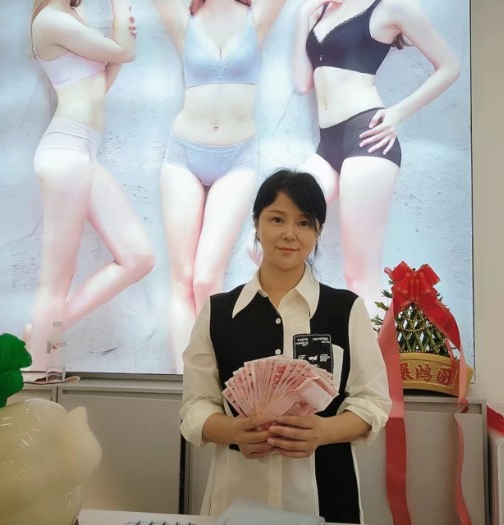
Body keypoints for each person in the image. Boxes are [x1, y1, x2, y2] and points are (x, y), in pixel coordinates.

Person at [180, 169, 391, 523]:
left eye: (304, 222)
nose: (290, 234)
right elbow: (195, 406)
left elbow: (373, 402)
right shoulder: (218, 312)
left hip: (327, 495)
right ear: (256, 223)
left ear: (318, 230)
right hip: (238, 495)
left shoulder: (345, 309)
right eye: (277, 219)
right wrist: (233, 431)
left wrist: (324, 431)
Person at [292, 0, 461, 311]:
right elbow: (303, 82)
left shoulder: (390, 6)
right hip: (328, 147)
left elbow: (450, 66)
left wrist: (397, 113)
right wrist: (304, 15)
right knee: (267, 230)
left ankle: (370, 345)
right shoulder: (323, 10)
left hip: (367, 139)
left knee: (358, 278)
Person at [150, 0, 288, 371]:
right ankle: (184, 385)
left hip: (237, 159)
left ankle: (215, 381)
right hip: (183, 156)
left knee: (206, 278)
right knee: (182, 281)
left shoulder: (257, 17)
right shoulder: (184, 18)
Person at [26, 0, 154, 368]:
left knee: (138, 257)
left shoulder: (72, 15)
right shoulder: (50, 19)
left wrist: (116, 45)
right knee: (57, 278)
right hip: (65, 150)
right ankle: (37, 370)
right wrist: (119, 14)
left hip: (84, 151)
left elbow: (101, 81)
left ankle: (38, 334)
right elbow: (123, 51)